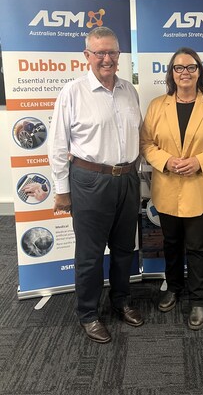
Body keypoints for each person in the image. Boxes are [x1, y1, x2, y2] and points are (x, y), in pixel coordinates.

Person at [48, 27, 144, 344]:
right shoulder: (72, 92)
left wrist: (138, 173)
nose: (107, 59)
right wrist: (62, 190)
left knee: (123, 249)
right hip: (90, 180)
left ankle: (121, 301)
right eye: (100, 53)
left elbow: (137, 136)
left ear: (119, 55)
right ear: (87, 56)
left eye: (112, 52)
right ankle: (88, 313)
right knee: (89, 255)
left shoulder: (130, 90)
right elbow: (58, 144)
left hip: (127, 179)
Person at [140, 47, 203, 330]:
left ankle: (198, 300)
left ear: (199, 71)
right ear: (171, 73)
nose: (185, 73)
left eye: (191, 67)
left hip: (200, 187)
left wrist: (199, 162)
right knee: (170, 243)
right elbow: (146, 145)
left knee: (197, 246)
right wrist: (167, 160)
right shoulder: (158, 105)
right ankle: (173, 288)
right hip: (167, 186)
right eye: (178, 68)